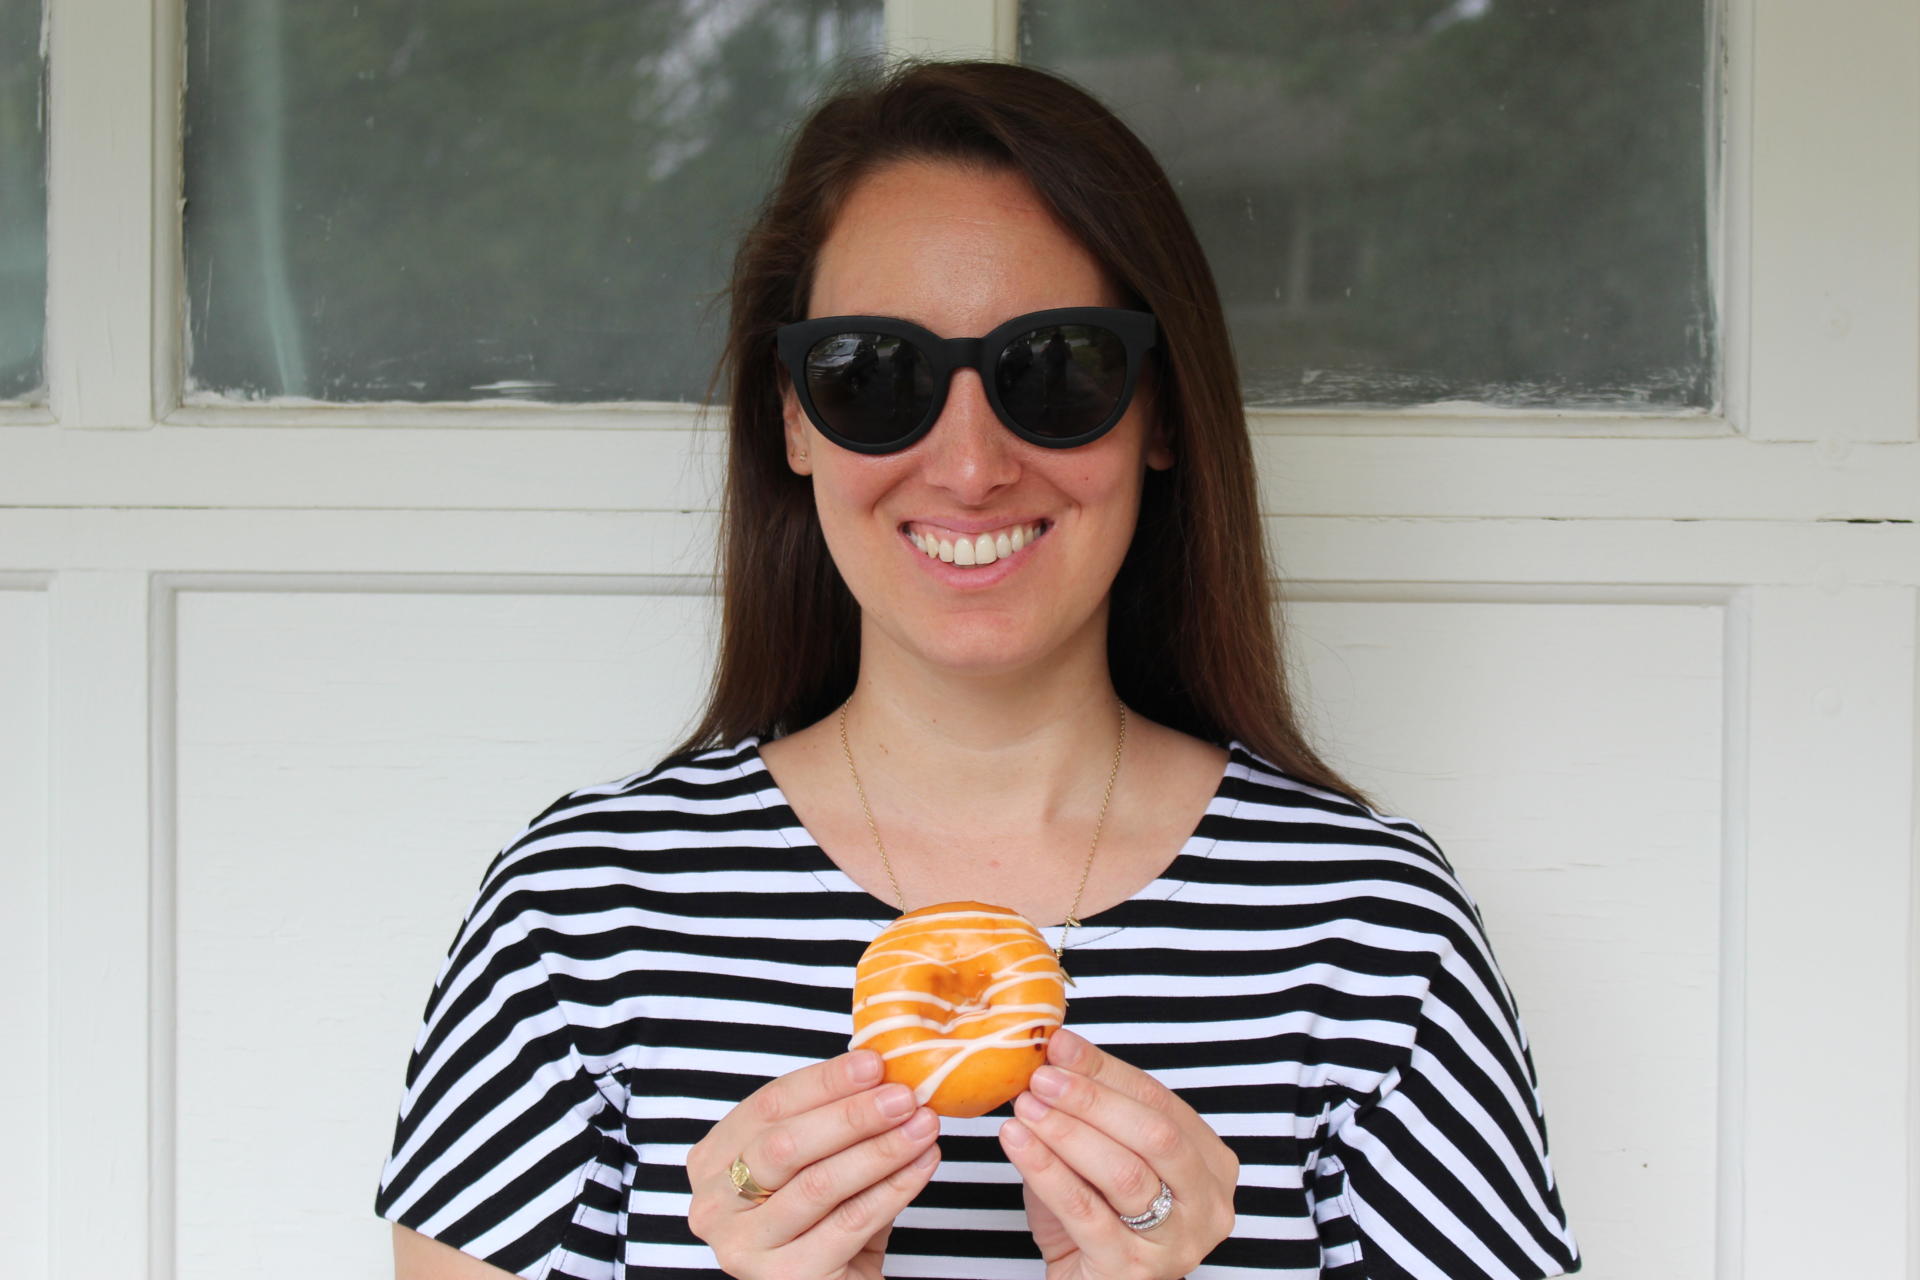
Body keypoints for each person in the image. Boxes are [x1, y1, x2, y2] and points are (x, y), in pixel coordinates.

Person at [374, 58, 1581, 1280]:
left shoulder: (1368, 931)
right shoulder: (580, 914)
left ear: (1161, 412)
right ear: (791, 417)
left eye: (1058, 369)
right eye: (872, 373)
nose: (968, 465)